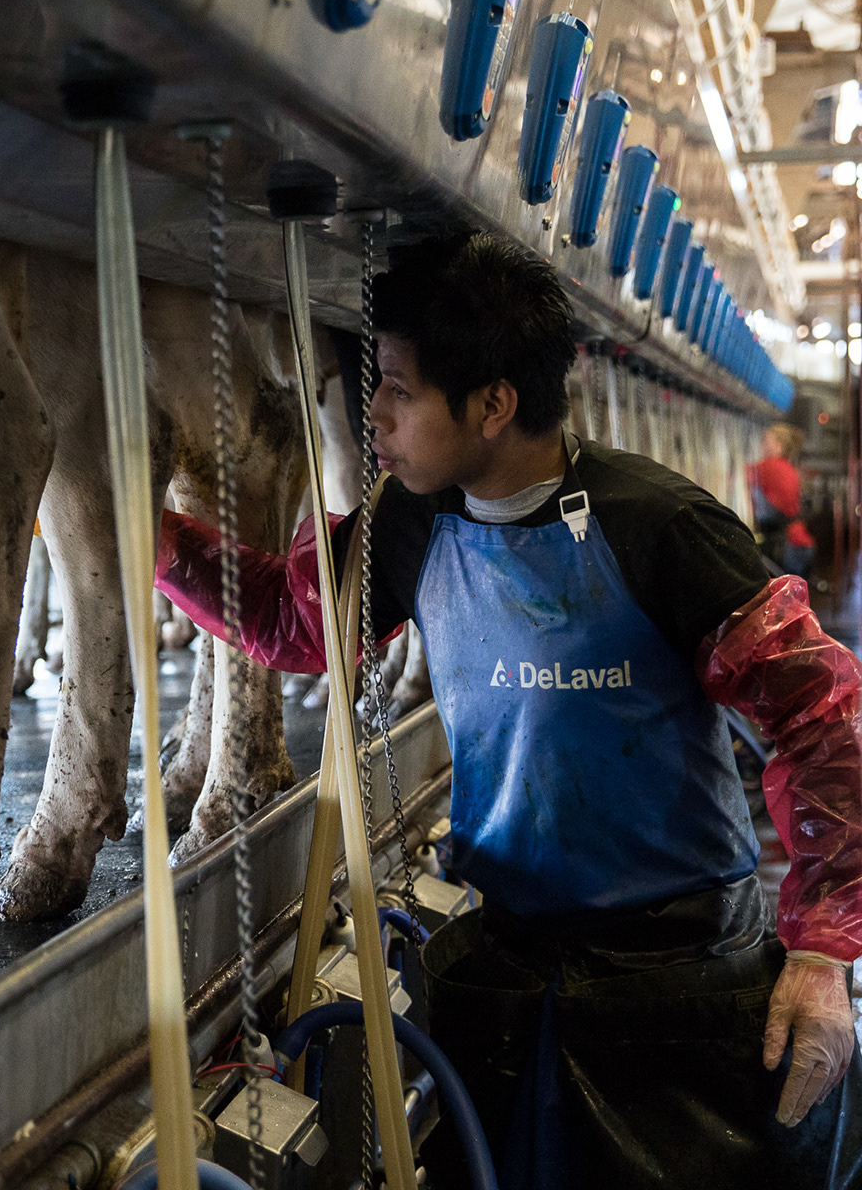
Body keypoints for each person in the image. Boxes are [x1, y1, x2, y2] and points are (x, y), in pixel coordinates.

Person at [156, 233, 862, 1188]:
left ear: (494, 404)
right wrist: (148, 536)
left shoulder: (660, 527)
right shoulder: (412, 522)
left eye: (400, 390)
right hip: (511, 961)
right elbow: (294, 621)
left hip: (675, 975)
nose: (375, 417)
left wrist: (824, 953)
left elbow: (824, 719)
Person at [751, 422, 817, 579]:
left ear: (779, 446)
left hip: (787, 545)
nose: (761, 446)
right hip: (799, 542)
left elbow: (732, 475)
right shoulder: (787, 467)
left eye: (766, 441)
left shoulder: (770, 467)